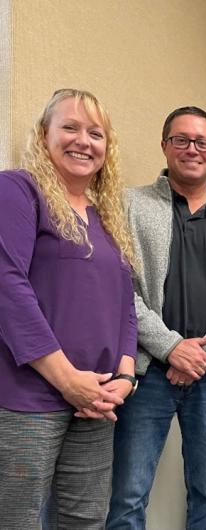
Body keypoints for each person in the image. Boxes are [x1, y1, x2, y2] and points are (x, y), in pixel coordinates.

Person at [107, 106, 206, 530]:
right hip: (148, 372)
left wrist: (202, 354)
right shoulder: (128, 206)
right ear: (165, 146)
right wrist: (172, 348)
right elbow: (121, 290)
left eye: (202, 142)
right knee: (128, 494)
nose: (193, 149)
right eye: (182, 140)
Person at [0, 88, 137, 529]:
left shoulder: (107, 214)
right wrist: (66, 380)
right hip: (28, 397)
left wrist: (126, 377)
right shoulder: (18, 190)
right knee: (19, 519)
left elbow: (125, 305)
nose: (83, 141)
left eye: (95, 133)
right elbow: (7, 285)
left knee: (85, 521)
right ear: (44, 135)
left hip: (97, 400)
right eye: (70, 127)